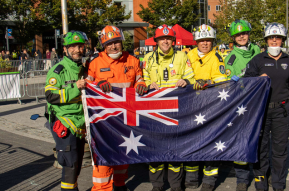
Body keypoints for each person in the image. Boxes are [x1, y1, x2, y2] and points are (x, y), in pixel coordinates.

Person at [86, 25, 147, 191]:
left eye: (116, 42)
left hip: (125, 120)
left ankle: (120, 185)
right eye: (109, 43)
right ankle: (101, 189)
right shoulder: (95, 63)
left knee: (122, 155)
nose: (113, 46)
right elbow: (86, 84)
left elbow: (140, 79)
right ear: (103, 46)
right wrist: (97, 83)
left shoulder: (133, 61)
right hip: (103, 122)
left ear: (122, 42)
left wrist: (141, 83)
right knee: (103, 159)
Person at [244, 22, 289, 191]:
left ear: (282, 40)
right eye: (271, 38)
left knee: (280, 150)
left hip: (282, 111)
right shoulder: (257, 60)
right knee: (260, 148)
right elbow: (246, 82)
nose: (274, 41)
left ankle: (277, 183)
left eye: (278, 38)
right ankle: (261, 183)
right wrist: (257, 78)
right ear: (266, 40)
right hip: (261, 111)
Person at [142, 24, 195, 191]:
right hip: (154, 110)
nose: (165, 41)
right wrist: (147, 83)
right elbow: (142, 80)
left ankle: (175, 186)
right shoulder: (147, 58)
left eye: (168, 38)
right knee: (155, 150)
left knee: (175, 150)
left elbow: (191, 76)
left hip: (177, 111)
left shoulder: (182, 56)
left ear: (173, 40)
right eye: (161, 38)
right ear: (156, 40)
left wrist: (186, 81)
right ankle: (157, 185)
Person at [184, 24, 227, 191]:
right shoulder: (189, 55)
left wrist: (208, 83)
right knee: (192, 140)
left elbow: (222, 79)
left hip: (211, 104)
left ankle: (209, 180)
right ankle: (192, 177)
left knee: (211, 140)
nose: (205, 43)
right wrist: (194, 81)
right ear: (196, 41)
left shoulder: (217, 57)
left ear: (212, 41)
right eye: (201, 40)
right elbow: (186, 74)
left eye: (208, 40)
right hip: (192, 104)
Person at [45, 31, 88, 191]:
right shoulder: (59, 70)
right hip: (63, 122)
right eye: (73, 46)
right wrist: (74, 87)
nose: (77, 49)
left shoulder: (82, 69)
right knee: (70, 165)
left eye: (80, 46)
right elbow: (50, 95)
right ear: (65, 49)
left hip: (79, 124)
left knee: (76, 164)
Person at [223, 19, 260, 191]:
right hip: (243, 104)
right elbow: (231, 85)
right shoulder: (230, 58)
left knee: (261, 141)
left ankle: (261, 175)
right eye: (238, 35)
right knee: (242, 141)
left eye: (244, 33)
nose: (242, 37)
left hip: (260, 102)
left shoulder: (257, 50)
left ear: (249, 34)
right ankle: (242, 179)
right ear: (233, 38)